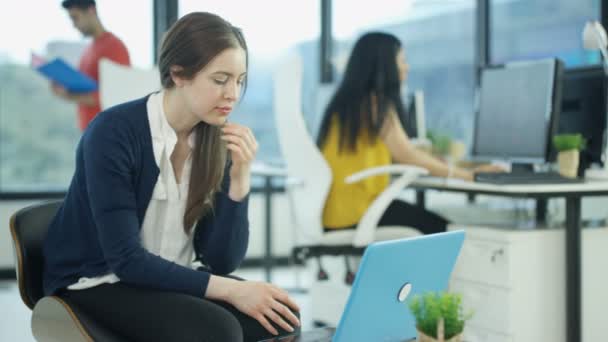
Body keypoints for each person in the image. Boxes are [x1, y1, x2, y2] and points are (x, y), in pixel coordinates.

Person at [43, 12, 300, 342]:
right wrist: (233, 292)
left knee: (281, 320)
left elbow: (221, 260)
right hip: (99, 282)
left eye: (239, 80)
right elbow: (126, 261)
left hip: (170, 278)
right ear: (178, 73)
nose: (233, 94)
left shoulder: (214, 139)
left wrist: (239, 179)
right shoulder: (113, 133)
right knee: (217, 331)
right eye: (220, 80)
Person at [317, 32, 500, 234]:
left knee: (426, 223)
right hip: (359, 212)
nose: (406, 67)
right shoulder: (375, 104)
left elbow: (398, 153)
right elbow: (407, 155)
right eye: (402, 60)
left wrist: (440, 163)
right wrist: (468, 176)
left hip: (337, 213)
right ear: (384, 64)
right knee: (442, 230)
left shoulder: (347, 105)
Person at [51, 0, 131, 131]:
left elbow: (118, 94)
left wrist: (68, 96)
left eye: (75, 18)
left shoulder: (114, 47)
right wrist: (63, 89)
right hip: (89, 133)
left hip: (107, 134)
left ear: (91, 10)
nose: (74, 25)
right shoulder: (88, 50)